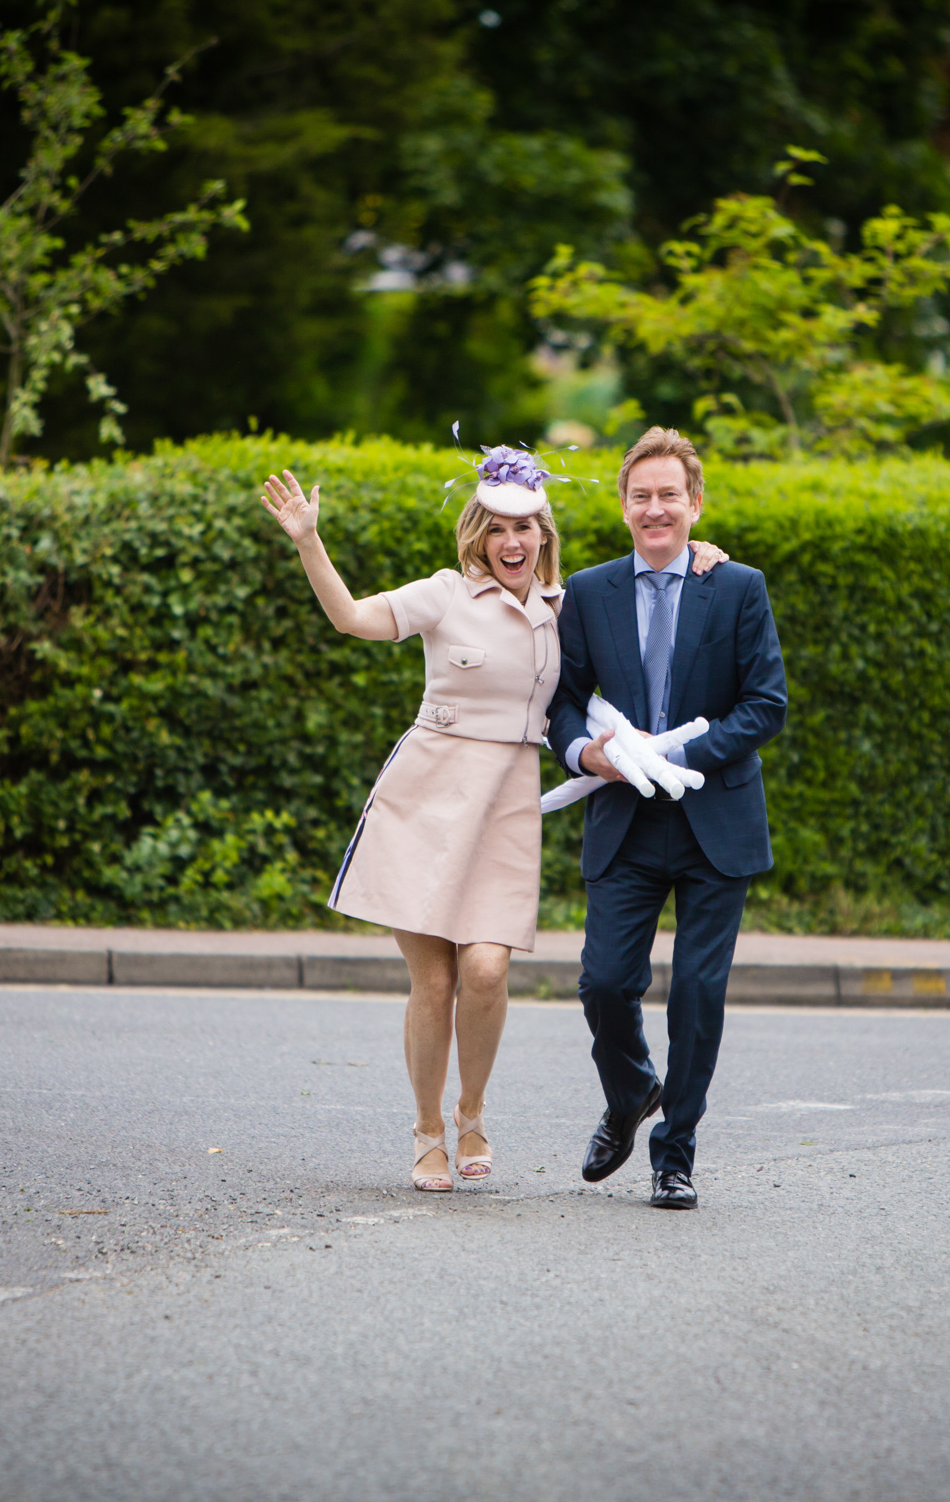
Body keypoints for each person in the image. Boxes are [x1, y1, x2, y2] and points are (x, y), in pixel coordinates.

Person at [259, 448, 727, 1191]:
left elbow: (643, 598)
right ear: (478, 533)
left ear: (544, 534)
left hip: (508, 804)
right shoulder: (444, 594)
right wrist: (309, 540)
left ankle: (472, 1112)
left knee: (485, 970)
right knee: (435, 982)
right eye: (499, 528)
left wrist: (701, 551)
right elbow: (351, 619)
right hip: (425, 797)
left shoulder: (567, 608)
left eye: (528, 528)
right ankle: (427, 1133)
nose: (514, 541)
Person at [546, 427, 786, 1210]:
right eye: (641, 496)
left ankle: (673, 1152)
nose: (656, 509)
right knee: (604, 983)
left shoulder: (739, 586)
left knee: (697, 995)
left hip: (714, 816)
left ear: (695, 503)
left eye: (669, 496)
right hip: (623, 816)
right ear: (623, 507)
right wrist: (591, 755)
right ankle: (630, 1090)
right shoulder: (587, 592)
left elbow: (765, 705)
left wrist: (678, 758)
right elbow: (562, 704)